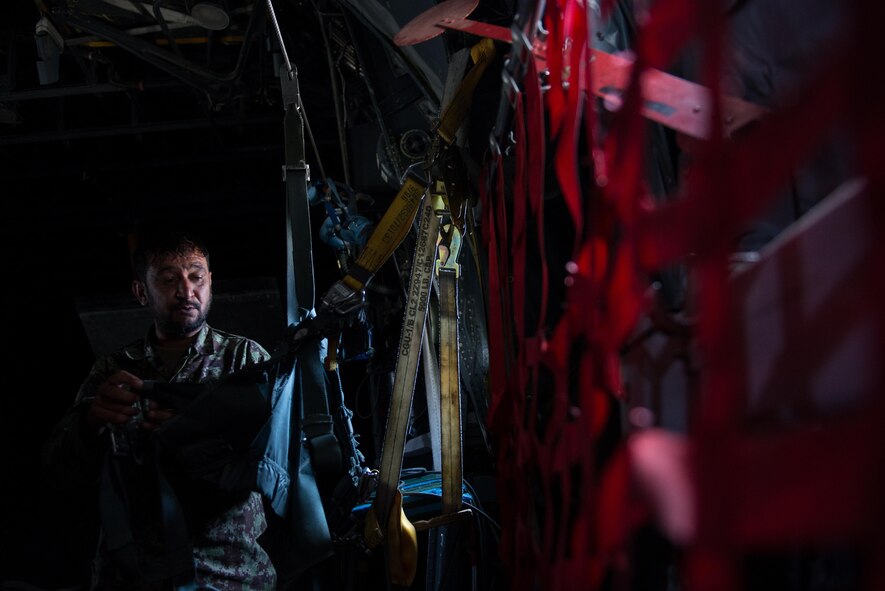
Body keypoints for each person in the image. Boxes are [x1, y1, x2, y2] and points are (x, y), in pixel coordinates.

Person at [42, 227, 277, 591]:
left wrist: (201, 432)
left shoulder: (246, 361)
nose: (186, 291)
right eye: (169, 279)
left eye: (196, 276)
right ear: (141, 291)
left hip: (230, 573)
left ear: (210, 282)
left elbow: (284, 463)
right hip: (135, 574)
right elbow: (61, 472)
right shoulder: (113, 370)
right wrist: (89, 425)